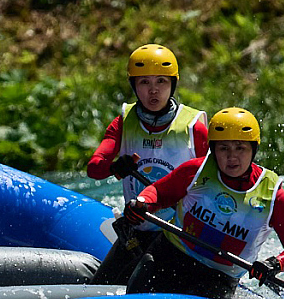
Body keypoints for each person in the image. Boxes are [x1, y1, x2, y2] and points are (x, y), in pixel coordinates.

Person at [122, 107, 284, 299]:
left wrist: (276, 264)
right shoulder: (195, 170)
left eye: (240, 148)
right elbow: (159, 193)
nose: (232, 157)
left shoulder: (274, 197)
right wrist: (142, 203)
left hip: (216, 280)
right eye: (223, 148)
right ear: (213, 149)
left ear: (253, 149)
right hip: (167, 258)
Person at [87, 44, 209, 284]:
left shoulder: (194, 127)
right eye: (144, 83)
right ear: (134, 85)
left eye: (161, 82)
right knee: (100, 287)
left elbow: (215, 181)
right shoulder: (124, 122)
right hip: (138, 230)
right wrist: (114, 167)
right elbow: (95, 167)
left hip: (179, 238)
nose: (153, 91)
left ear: (173, 84)